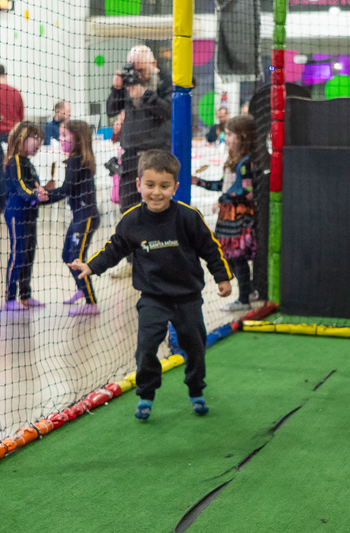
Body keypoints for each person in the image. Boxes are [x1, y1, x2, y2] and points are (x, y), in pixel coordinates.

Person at [72, 150, 231, 420]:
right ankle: (146, 394)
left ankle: (196, 388)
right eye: (150, 185)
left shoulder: (188, 218)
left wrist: (222, 277)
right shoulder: (133, 220)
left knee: (195, 345)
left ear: (175, 188)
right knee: (146, 348)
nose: (156, 192)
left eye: (164, 186)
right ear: (138, 185)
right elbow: (114, 249)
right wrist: (91, 266)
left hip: (188, 297)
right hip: (153, 298)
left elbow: (211, 249)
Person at [191, 115, 257, 311]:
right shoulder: (233, 160)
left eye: (229, 134)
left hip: (239, 216)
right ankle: (247, 290)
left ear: (243, 136)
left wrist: (223, 200)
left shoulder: (245, 163)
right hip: (228, 217)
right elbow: (224, 186)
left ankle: (244, 299)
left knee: (237, 258)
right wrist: (200, 182)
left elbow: (247, 192)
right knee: (229, 257)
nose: (225, 138)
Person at [106, 45, 172, 215]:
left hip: (156, 155)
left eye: (141, 69)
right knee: (128, 210)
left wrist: (145, 94)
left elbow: (169, 111)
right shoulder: (129, 81)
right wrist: (117, 89)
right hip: (130, 157)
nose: (137, 75)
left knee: (158, 209)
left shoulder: (165, 81)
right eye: (133, 68)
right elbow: (111, 110)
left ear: (153, 63)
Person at [47, 119, 101, 316]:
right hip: (80, 215)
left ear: (77, 139)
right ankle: (81, 287)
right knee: (67, 256)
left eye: (64, 136)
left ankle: (91, 303)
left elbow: (65, 190)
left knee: (76, 258)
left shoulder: (77, 160)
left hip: (86, 217)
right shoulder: (74, 159)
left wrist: (43, 197)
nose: (60, 139)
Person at [3, 121, 49, 310]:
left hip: (29, 214)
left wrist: (45, 192)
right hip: (17, 214)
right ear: (22, 138)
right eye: (35, 138)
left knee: (29, 253)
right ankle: (10, 298)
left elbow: (34, 186)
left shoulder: (27, 163)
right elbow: (22, 187)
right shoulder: (15, 161)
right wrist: (34, 194)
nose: (38, 144)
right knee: (18, 254)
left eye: (40, 140)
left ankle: (25, 295)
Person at [0, 63, 25, 212]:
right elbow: (21, 118)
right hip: (13, 136)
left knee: (0, 170)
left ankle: (2, 204)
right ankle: (17, 200)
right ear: (5, 75)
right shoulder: (15, 93)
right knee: (15, 168)